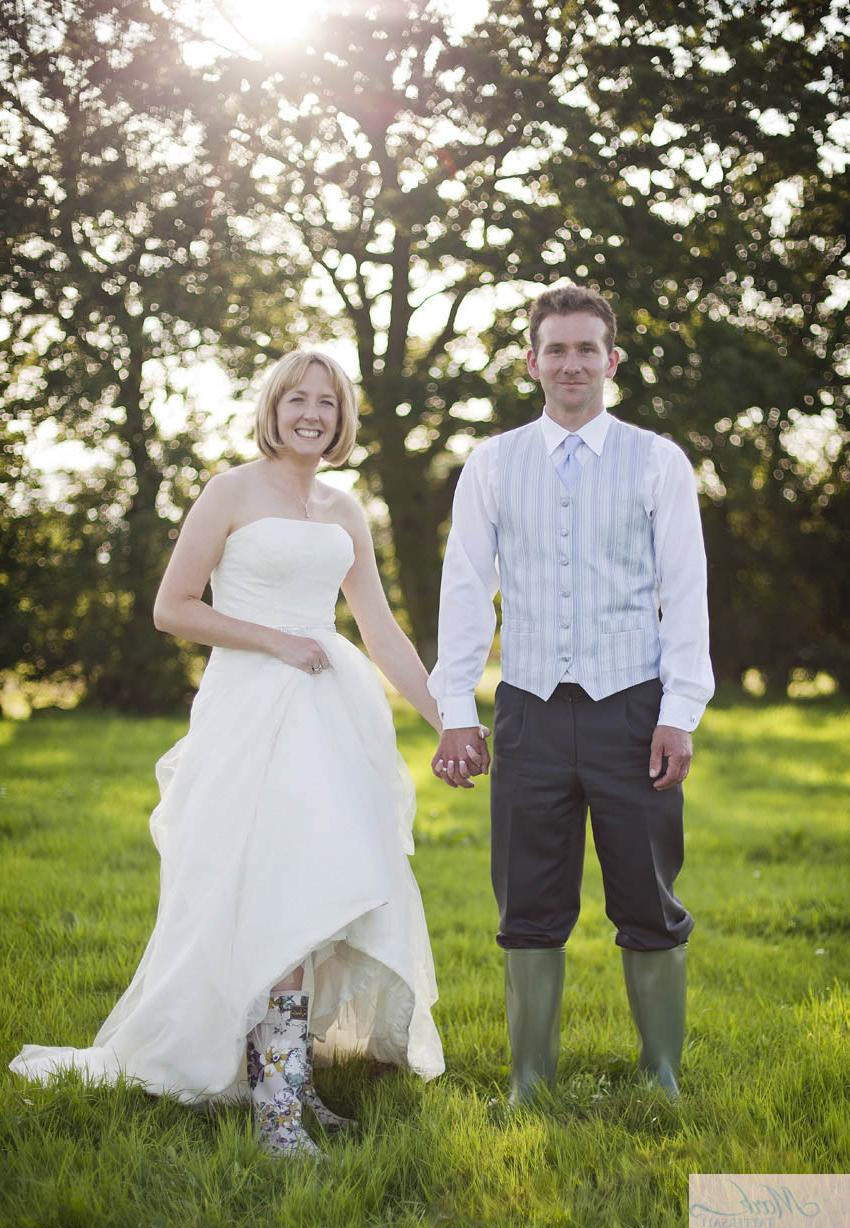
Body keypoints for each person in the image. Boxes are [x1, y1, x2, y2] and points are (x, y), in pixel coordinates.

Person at [10, 349, 450, 1158]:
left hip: (331, 714)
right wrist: (275, 640)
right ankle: (276, 1107)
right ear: (273, 408)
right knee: (267, 884)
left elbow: (380, 630)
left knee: (314, 891)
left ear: (343, 418)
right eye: (297, 399)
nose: (312, 413)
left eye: (327, 401)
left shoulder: (345, 506)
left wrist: (448, 718)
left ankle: (293, 1081)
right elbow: (171, 607)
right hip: (252, 706)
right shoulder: (230, 491)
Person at [428, 284, 714, 1102]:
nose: (572, 363)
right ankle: (529, 1079)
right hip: (529, 709)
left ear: (612, 360)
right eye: (556, 348)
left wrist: (678, 713)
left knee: (648, 895)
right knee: (527, 898)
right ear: (532, 362)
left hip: (634, 707)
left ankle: (660, 1072)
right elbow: (463, 591)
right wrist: (457, 713)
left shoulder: (658, 460)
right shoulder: (491, 464)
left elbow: (686, 593)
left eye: (588, 348)